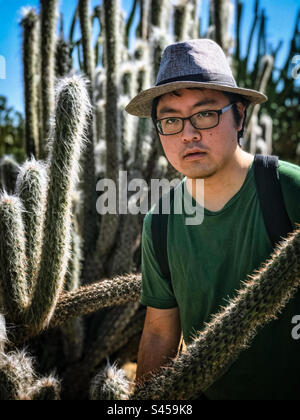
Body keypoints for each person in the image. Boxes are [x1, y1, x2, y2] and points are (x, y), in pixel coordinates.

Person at [125, 39, 300, 400]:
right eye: (170, 120)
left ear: (240, 116)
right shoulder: (160, 222)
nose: (188, 133)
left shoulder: (289, 190)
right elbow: (160, 332)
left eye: (205, 114)